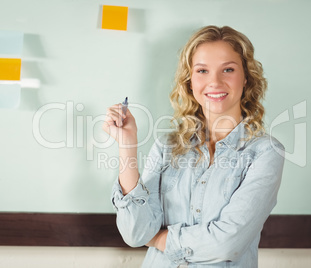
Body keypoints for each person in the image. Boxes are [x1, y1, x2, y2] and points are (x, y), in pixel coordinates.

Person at [103, 25, 285, 268]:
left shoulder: (265, 152)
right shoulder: (167, 146)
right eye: (202, 71)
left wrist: (157, 238)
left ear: (246, 77)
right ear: (190, 82)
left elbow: (227, 244)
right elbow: (135, 233)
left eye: (228, 69)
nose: (215, 82)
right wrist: (127, 146)